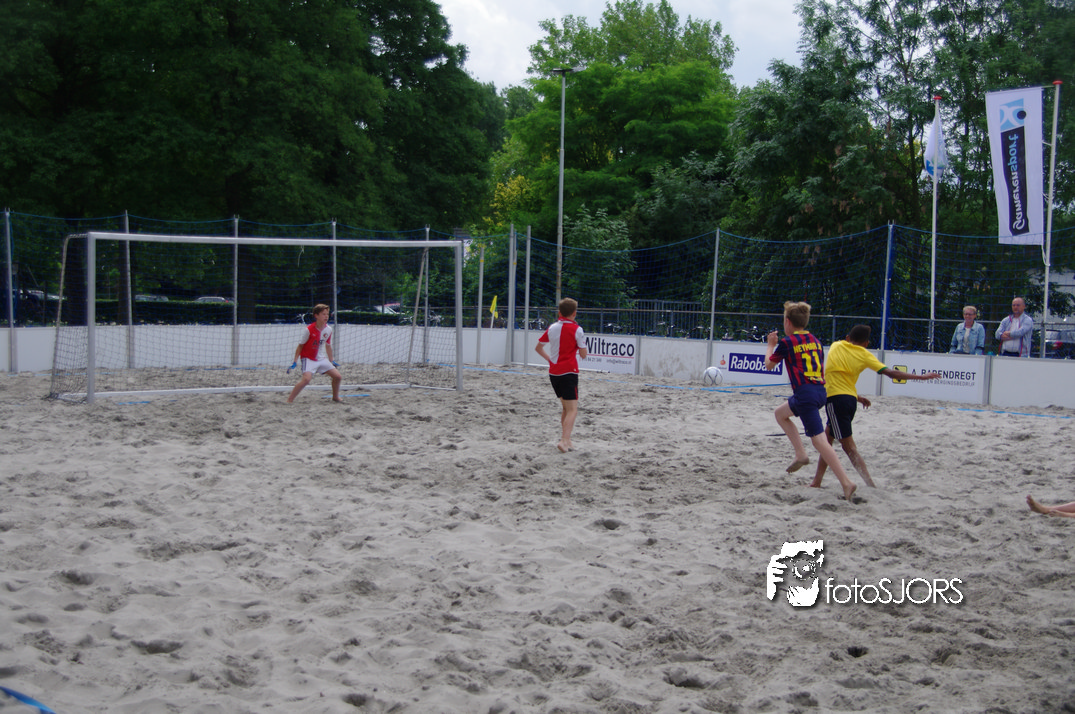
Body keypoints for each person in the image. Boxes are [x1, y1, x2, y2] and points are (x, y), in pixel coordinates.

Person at [810, 325, 941, 489]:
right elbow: (893, 374)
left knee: (849, 447)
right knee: (827, 442)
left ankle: (870, 485)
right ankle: (816, 482)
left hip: (836, 401)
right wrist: (921, 377)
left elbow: (832, 375)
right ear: (866, 343)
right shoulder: (866, 355)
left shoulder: (836, 345)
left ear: (848, 338)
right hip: (849, 400)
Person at [764, 301, 858, 502]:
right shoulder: (815, 340)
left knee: (819, 441)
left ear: (788, 322)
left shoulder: (788, 342)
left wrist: (771, 344)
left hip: (805, 394)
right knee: (780, 414)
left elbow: (769, 365)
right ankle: (800, 454)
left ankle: (846, 482)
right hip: (819, 391)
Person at [535, 297, 589, 453]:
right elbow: (583, 354)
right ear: (574, 313)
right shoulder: (577, 329)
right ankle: (564, 440)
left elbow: (538, 348)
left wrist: (550, 360)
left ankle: (568, 439)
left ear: (559, 312)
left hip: (554, 373)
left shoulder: (552, 328)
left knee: (565, 408)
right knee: (572, 410)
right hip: (569, 372)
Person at [287, 304, 343, 403]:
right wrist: (295, 361)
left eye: (327, 314)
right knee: (306, 380)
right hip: (308, 358)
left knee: (338, 377)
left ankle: (335, 397)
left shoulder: (328, 329)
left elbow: (328, 345)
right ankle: (289, 400)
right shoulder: (309, 329)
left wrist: (332, 360)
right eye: (323, 314)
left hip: (320, 358)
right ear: (316, 315)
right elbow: (300, 346)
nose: (326, 316)